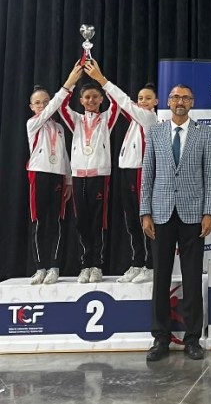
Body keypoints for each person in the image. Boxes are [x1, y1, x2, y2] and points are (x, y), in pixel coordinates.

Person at [140, 84, 211, 361]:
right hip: (160, 213)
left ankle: (193, 338)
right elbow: (147, 174)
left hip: (193, 215)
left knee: (192, 277)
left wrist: (209, 212)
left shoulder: (204, 133)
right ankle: (160, 338)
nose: (180, 101)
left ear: (192, 102)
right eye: (175, 97)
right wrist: (145, 213)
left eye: (185, 97)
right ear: (168, 102)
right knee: (160, 277)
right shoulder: (155, 132)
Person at [84, 60, 158, 283]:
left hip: (140, 172)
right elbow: (120, 102)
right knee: (131, 220)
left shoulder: (149, 118)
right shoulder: (136, 118)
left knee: (145, 218)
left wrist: (101, 79)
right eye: (140, 98)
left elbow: (123, 100)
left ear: (156, 102)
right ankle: (138, 262)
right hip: (126, 172)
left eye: (147, 98)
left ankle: (151, 265)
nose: (142, 101)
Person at [59, 70, 120, 284]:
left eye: (95, 96)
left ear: (101, 99)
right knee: (81, 222)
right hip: (78, 176)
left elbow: (118, 102)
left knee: (97, 221)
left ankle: (97, 266)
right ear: (81, 100)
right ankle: (85, 265)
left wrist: (104, 82)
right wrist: (71, 82)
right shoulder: (75, 120)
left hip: (100, 176)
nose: (91, 100)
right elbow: (61, 106)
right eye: (87, 97)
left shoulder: (106, 119)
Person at [26, 65, 82, 284]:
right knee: (39, 222)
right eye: (38, 102)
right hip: (39, 174)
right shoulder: (33, 123)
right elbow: (51, 109)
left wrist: (68, 180)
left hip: (57, 177)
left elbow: (64, 155)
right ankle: (40, 267)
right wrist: (68, 84)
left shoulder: (59, 128)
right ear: (32, 107)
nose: (42, 105)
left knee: (56, 222)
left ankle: (54, 267)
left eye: (46, 101)